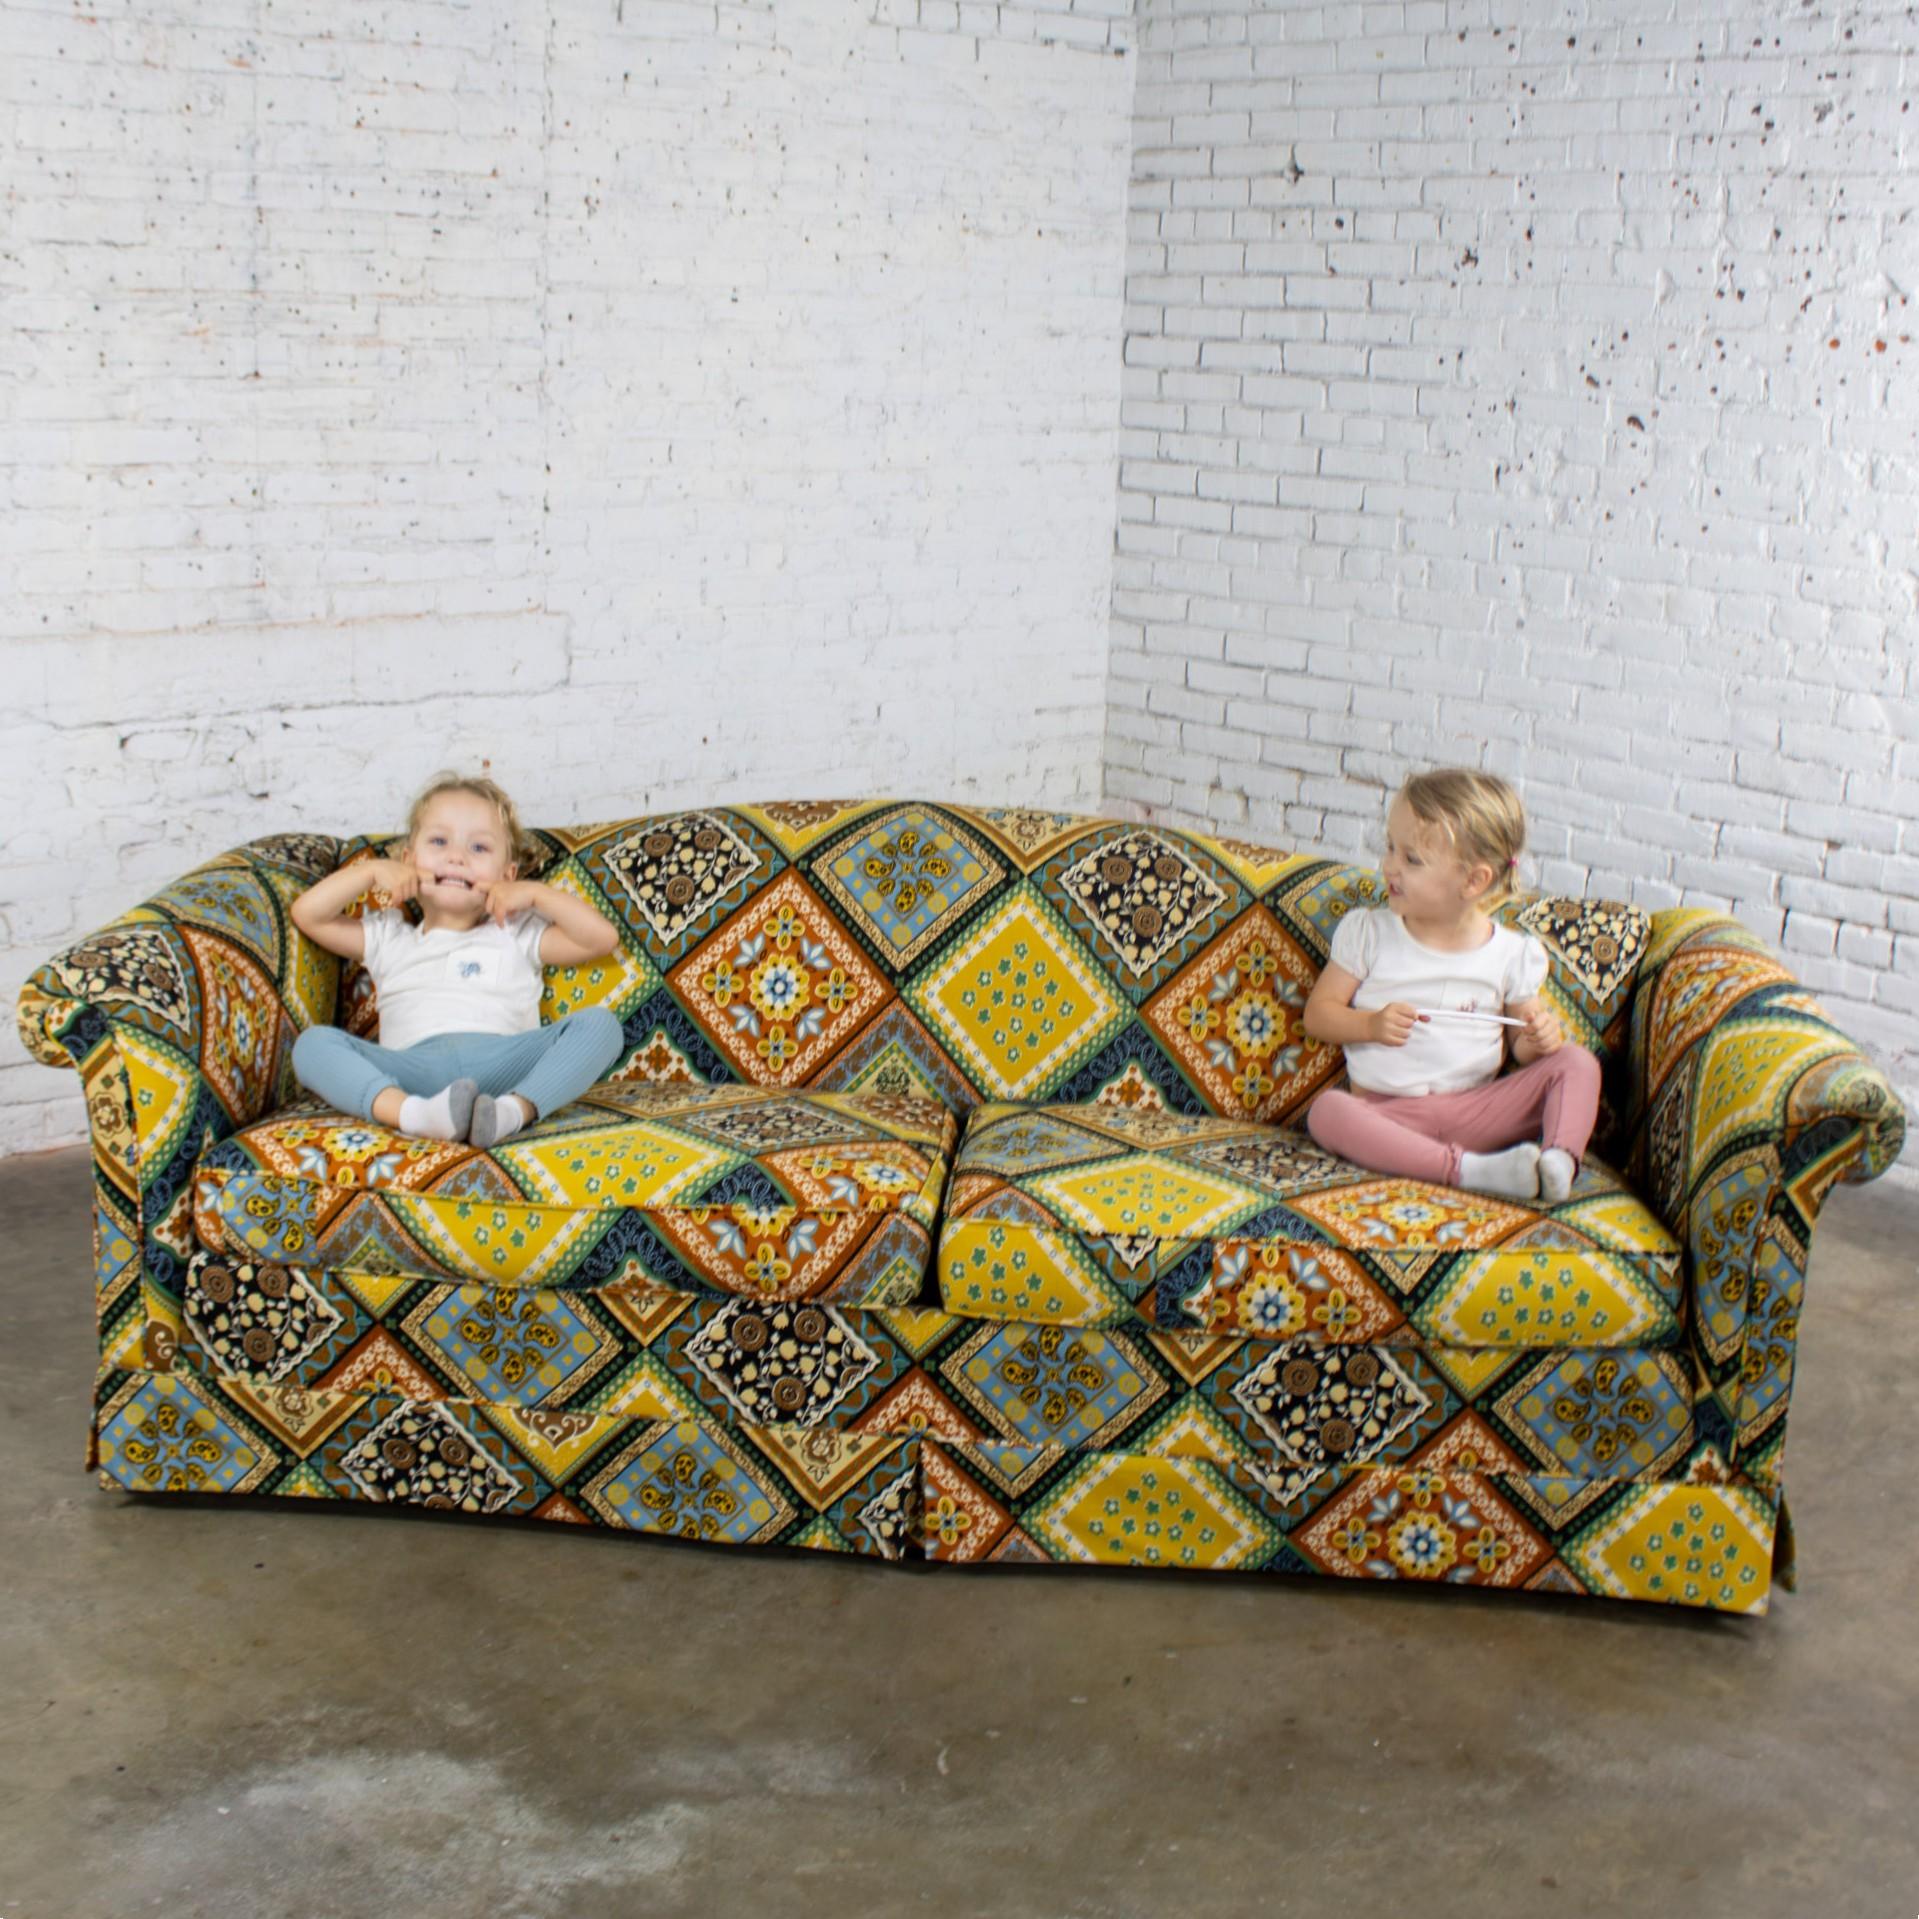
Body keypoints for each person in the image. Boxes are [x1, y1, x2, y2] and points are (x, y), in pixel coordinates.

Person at [1301, 768, 1600, 1205]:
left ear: (1473, 881)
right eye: (1390, 847)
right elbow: (1318, 1014)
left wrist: (1539, 1040)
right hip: (1388, 1116)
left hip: (1477, 1111)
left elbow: (1521, 1048)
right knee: (1327, 1112)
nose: (1389, 866)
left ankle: (1557, 1162)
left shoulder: (1511, 954)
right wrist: (1370, 1025)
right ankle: (1470, 1171)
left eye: (1412, 859)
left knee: (1577, 1063)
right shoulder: (1369, 932)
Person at [288, 771, 625, 1147]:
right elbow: (308, 915)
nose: (456, 857)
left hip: (504, 1066)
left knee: (602, 1026)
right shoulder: (389, 936)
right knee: (311, 1045)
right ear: (408, 861)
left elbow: (601, 939)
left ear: (507, 876)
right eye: (439, 841)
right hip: (411, 1071)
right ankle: (414, 1116)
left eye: (479, 848)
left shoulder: (515, 933)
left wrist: (533, 895)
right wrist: (369, 872)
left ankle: (510, 1114)